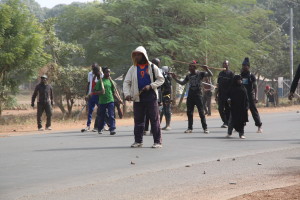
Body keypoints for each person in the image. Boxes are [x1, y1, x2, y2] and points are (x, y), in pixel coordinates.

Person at [123, 46, 164, 148]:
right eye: (135, 55)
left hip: (151, 96)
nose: (136, 56)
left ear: (144, 55)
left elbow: (161, 79)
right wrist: (127, 94)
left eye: (138, 54)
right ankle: (138, 141)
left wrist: (150, 86)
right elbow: (126, 82)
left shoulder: (152, 67)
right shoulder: (132, 68)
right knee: (138, 120)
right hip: (138, 97)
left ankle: (157, 142)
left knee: (154, 119)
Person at [171, 60, 213, 134]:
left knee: (201, 112)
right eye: (189, 66)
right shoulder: (188, 75)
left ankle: (205, 128)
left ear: (194, 67)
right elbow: (182, 83)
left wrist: (207, 69)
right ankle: (190, 128)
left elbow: (210, 74)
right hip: (190, 95)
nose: (189, 68)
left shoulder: (200, 74)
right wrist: (175, 78)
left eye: (190, 66)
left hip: (198, 95)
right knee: (189, 112)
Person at [93, 67, 123, 135]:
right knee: (102, 116)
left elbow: (114, 92)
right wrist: (100, 92)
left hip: (110, 100)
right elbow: (94, 91)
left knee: (111, 115)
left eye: (109, 72)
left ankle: (112, 129)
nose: (108, 73)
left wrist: (119, 99)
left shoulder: (111, 81)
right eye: (107, 72)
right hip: (102, 101)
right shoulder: (100, 81)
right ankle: (100, 128)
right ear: (103, 73)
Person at [240, 57, 263, 133]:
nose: (244, 67)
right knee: (242, 111)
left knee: (254, 111)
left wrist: (256, 96)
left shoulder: (251, 76)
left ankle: (259, 126)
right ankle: (241, 126)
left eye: (245, 65)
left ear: (248, 67)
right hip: (242, 96)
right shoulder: (240, 75)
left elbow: (255, 87)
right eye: (243, 65)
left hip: (250, 95)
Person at [227, 75, 249, 139]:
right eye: (238, 80)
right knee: (231, 120)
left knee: (241, 121)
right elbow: (227, 95)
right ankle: (229, 133)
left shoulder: (243, 88)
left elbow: (246, 98)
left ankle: (241, 134)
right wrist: (228, 99)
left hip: (242, 107)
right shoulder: (231, 88)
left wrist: (247, 106)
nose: (240, 81)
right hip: (234, 107)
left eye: (240, 80)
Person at [144, 58, 161, 135]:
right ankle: (145, 129)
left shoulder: (158, 72)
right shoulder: (147, 71)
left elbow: (161, 85)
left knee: (154, 114)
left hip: (155, 94)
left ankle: (153, 130)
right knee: (147, 113)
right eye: (157, 64)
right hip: (147, 94)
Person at [216, 60, 234, 128]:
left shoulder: (231, 73)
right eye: (223, 64)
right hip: (221, 94)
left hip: (228, 94)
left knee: (227, 109)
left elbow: (233, 85)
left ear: (228, 65)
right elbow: (218, 85)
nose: (224, 65)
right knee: (220, 108)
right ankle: (225, 121)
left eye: (225, 64)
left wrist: (231, 96)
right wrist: (216, 95)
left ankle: (227, 122)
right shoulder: (220, 74)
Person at [83, 63, 100, 132]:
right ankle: (88, 125)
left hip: (98, 95)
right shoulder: (90, 74)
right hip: (91, 95)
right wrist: (86, 94)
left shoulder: (100, 74)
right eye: (92, 68)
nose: (93, 69)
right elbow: (88, 84)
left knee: (101, 110)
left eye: (94, 68)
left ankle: (103, 124)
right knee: (90, 110)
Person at [160, 65, 172, 130]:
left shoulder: (167, 77)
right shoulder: (163, 76)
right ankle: (159, 125)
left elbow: (169, 88)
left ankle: (168, 125)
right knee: (162, 110)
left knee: (167, 110)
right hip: (162, 95)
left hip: (166, 96)